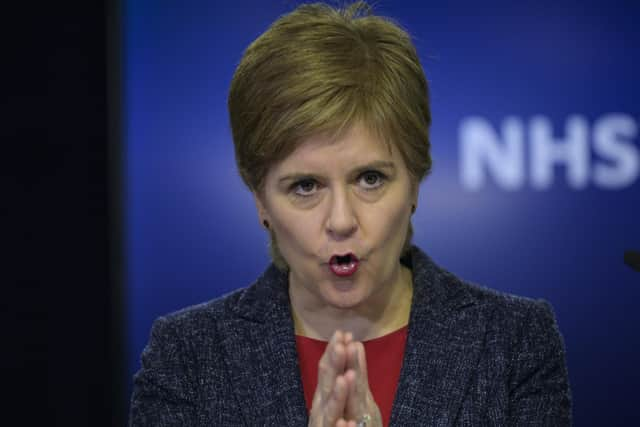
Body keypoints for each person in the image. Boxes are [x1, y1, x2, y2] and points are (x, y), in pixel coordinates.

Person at [129, 2, 572, 426]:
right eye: (305, 186)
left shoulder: (515, 343)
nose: (341, 220)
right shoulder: (186, 357)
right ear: (260, 199)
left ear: (415, 181)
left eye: (370, 179)